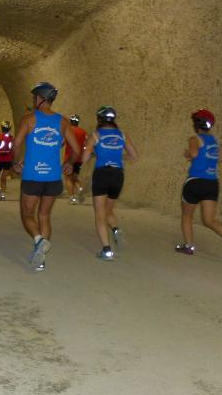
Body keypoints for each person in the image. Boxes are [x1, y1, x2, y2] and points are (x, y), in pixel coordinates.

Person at [13, 82, 81, 270]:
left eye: (34, 97)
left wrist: (15, 162)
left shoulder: (29, 119)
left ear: (40, 98)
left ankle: (39, 240)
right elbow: (76, 149)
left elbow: (16, 144)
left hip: (32, 175)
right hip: (53, 178)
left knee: (27, 215)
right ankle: (41, 259)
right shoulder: (62, 121)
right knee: (44, 215)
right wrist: (69, 163)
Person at [175, 109, 222, 259]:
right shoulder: (214, 141)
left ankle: (189, 246)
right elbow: (221, 158)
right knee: (209, 220)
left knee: (187, 216)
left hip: (195, 182)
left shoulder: (194, 138)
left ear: (196, 125)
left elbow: (194, 153)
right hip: (212, 183)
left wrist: (188, 154)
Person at [79, 106, 138, 260]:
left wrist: (92, 152)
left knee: (100, 215)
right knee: (107, 210)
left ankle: (106, 250)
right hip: (118, 175)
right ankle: (116, 229)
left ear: (99, 119)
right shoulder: (122, 135)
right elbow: (134, 155)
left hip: (102, 174)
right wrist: (118, 157)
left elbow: (84, 158)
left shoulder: (95, 135)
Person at [65, 114, 88, 204]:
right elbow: (87, 143)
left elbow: (62, 142)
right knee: (75, 177)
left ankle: (72, 198)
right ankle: (80, 188)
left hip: (69, 158)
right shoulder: (83, 132)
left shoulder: (68, 130)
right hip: (79, 158)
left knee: (68, 178)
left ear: (70, 121)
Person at [0, 121, 14, 200]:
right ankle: (2, 195)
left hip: (0, 159)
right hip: (8, 159)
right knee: (4, 178)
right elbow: (12, 148)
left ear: (2, 127)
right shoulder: (11, 137)